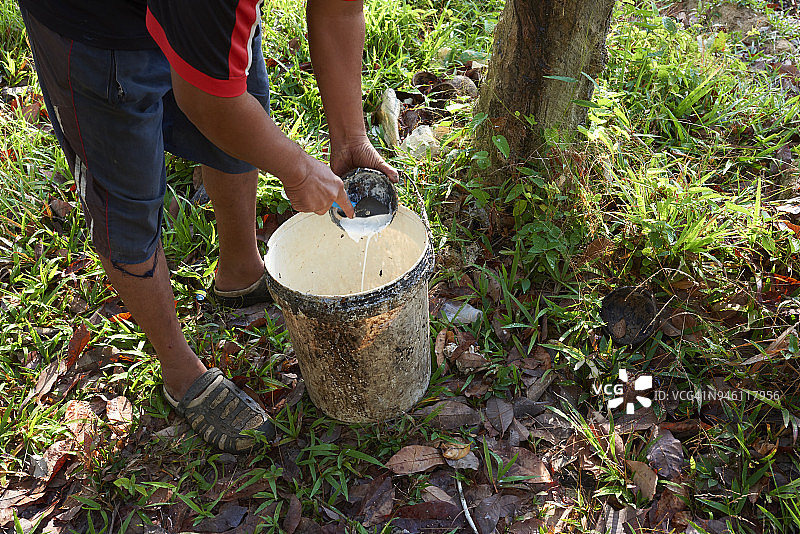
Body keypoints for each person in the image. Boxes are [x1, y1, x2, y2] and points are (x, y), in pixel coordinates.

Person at [17, 0, 398, 453]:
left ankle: (240, 270)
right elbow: (207, 101)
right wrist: (296, 170)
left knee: (243, 118)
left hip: (205, 20)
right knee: (126, 206)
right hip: (98, 31)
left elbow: (337, 12)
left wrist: (351, 137)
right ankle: (181, 373)